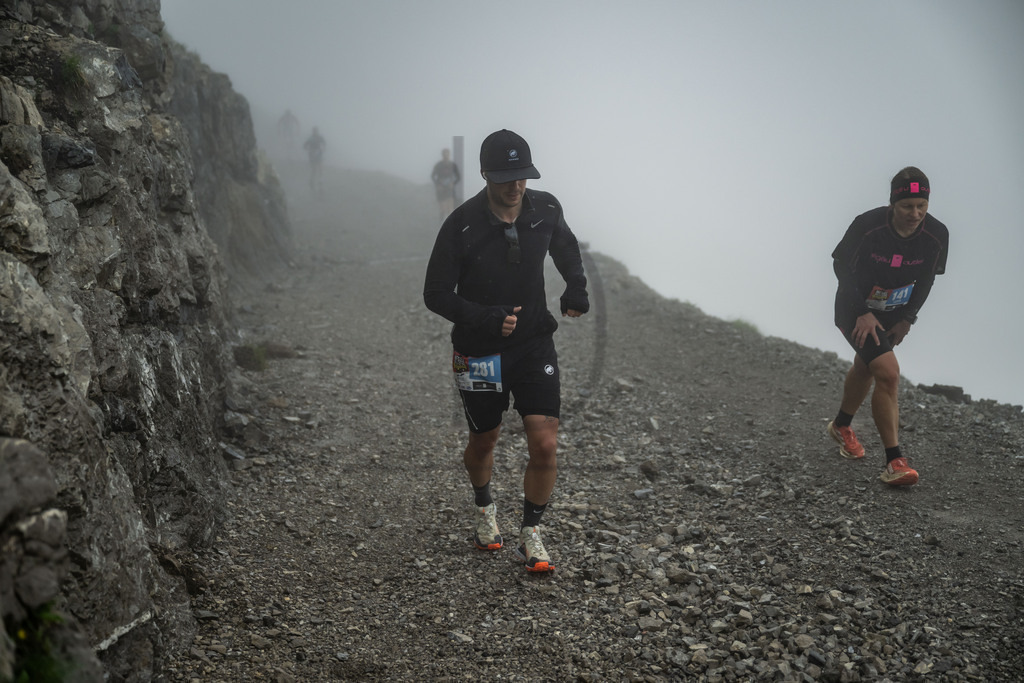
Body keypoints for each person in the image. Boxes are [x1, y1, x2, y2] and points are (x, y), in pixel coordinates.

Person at [423, 129, 589, 572]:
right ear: (484, 174)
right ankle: (484, 510)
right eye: (505, 177)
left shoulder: (546, 208)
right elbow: (435, 294)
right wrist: (484, 316)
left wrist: (576, 288)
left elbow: (567, 249)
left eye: (523, 176)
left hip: (535, 342)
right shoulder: (460, 224)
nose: (515, 186)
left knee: (546, 441)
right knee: (484, 439)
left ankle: (530, 535)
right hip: (480, 352)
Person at [827, 167, 949, 486]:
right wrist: (863, 312)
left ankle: (841, 426)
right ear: (893, 203)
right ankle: (894, 461)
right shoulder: (867, 226)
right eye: (908, 205)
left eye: (922, 205)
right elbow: (841, 265)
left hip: (893, 313)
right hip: (853, 308)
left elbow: (925, 280)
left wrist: (908, 318)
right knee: (888, 372)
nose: (915, 213)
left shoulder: (937, 235)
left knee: (868, 366)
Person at [431, 148, 461, 220]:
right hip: (440, 189)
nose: (446, 156)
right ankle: (440, 224)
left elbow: (458, 177)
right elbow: (432, 176)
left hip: (449, 189)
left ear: (449, 155)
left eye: (447, 154)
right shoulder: (438, 165)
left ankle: (450, 225)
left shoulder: (453, 165)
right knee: (442, 209)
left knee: (450, 208)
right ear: (442, 155)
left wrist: (453, 183)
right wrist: (437, 185)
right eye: (444, 154)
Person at [303, 126, 326, 197]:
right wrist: (309, 150)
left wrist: (322, 149)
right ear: (313, 132)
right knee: (314, 169)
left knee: (320, 167)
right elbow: (304, 145)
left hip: (318, 153)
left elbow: (324, 143)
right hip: (312, 154)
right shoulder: (311, 138)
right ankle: (312, 181)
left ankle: (320, 180)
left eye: (316, 131)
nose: (315, 132)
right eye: (314, 131)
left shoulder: (319, 137)